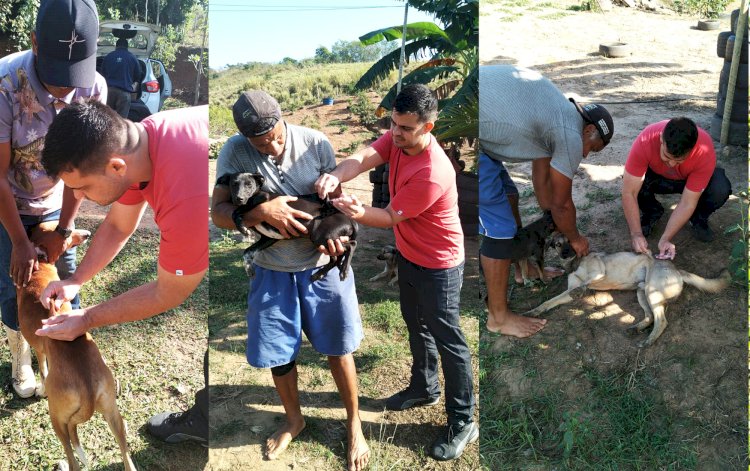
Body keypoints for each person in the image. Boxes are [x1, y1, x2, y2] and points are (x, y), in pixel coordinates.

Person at [315, 84, 477, 462]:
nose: (396, 133)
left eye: (405, 128)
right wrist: (336, 174)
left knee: (448, 338)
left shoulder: (432, 172)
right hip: (410, 254)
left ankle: (463, 420)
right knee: (415, 323)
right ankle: (424, 387)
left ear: (428, 128)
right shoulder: (397, 137)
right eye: (393, 124)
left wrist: (353, 210)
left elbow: (387, 217)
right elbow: (367, 153)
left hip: (440, 265)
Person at [211, 90, 369, 471]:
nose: (271, 146)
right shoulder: (234, 152)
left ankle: (354, 423)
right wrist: (259, 211)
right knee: (279, 353)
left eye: (276, 136)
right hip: (272, 268)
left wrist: (339, 237)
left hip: (320, 267)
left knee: (338, 347)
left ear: (283, 119)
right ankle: (294, 419)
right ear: (245, 137)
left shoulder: (316, 143)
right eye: (260, 142)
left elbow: (337, 206)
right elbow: (217, 212)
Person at [36, 100, 209, 443]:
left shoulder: (184, 192)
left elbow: (169, 292)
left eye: (82, 188)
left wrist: (85, 319)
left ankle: (207, 422)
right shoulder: (139, 140)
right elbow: (117, 225)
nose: (78, 197)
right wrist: (74, 281)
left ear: (115, 167)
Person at [0, 0, 106, 398]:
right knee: (15, 288)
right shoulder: (5, 82)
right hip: (8, 203)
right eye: (57, 76)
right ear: (35, 44)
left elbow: (82, 171)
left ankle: (64, 364)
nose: (66, 88)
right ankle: (21, 360)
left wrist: (63, 230)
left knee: (66, 285)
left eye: (74, 75)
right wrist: (19, 242)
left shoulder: (94, 86)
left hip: (56, 204)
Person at [478, 64, 613, 338]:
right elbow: (562, 204)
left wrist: (554, 222)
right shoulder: (569, 134)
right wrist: (574, 236)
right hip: (471, 132)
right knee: (500, 230)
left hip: (482, 127)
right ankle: (498, 317)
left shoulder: (558, 116)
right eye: (592, 148)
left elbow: (542, 186)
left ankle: (523, 266)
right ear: (588, 131)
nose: (585, 155)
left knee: (510, 195)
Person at [622, 117, 731, 260]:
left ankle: (698, 218)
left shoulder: (704, 150)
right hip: (656, 177)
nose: (672, 164)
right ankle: (652, 211)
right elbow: (629, 192)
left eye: (679, 160)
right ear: (661, 139)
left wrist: (666, 238)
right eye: (667, 157)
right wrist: (636, 234)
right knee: (632, 181)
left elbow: (687, 202)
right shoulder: (646, 139)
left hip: (686, 181)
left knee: (720, 187)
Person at [100, 37, 141, 118]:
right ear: (127, 47)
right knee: (121, 121)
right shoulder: (132, 58)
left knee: (106, 117)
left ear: (116, 46)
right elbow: (138, 76)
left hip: (108, 91)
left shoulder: (108, 56)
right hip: (124, 94)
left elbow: (102, 74)